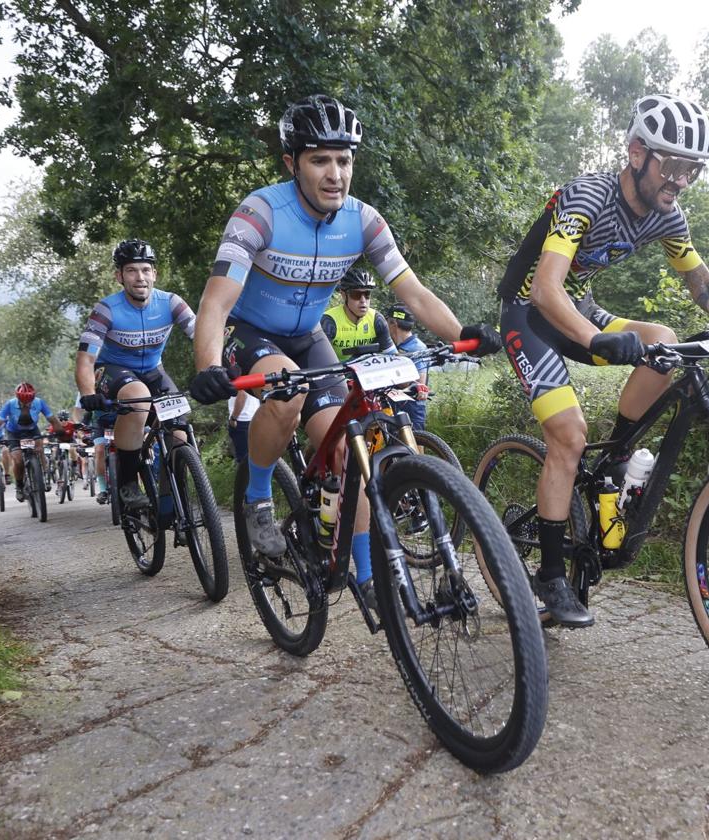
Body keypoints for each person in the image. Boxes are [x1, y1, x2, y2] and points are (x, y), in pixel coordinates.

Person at [188, 93, 501, 608]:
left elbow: (412, 292)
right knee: (284, 390)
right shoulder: (259, 213)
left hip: (311, 337)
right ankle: (258, 498)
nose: (335, 173)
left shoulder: (363, 220)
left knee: (348, 448)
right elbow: (216, 302)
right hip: (252, 332)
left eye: (344, 160)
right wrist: (207, 367)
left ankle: (365, 574)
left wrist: (461, 332)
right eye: (319, 160)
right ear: (292, 163)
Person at [497, 93, 709, 628]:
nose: (680, 181)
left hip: (579, 307)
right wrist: (594, 340)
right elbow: (544, 289)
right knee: (567, 436)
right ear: (637, 152)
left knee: (663, 339)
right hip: (529, 313)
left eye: (693, 172)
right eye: (674, 167)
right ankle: (549, 575)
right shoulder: (586, 196)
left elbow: (703, 285)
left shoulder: (666, 216)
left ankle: (617, 455)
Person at [75, 238, 196, 512]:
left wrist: (216, 370)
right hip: (112, 371)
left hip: (153, 370)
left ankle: (173, 498)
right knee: (138, 398)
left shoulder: (171, 303)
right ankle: (128, 484)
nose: (139, 277)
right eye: (131, 270)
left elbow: (202, 336)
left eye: (145, 270)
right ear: (119, 276)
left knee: (179, 432)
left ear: (154, 273)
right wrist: (87, 394)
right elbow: (85, 358)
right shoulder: (106, 309)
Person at [0, 382, 64, 502]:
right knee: (18, 460)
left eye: (29, 402)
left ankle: (43, 475)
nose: (26, 404)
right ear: (17, 398)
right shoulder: (10, 404)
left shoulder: (39, 402)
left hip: (32, 430)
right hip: (14, 432)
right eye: (23, 402)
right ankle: (19, 486)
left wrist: (60, 431)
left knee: (40, 449)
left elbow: (53, 420)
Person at [319, 266, 396, 360]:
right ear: (344, 295)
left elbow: (392, 356)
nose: (363, 300)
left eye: (367, 294)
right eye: (356, 295)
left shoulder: (377, 319)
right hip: (336, 371)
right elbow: (322, 361)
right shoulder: (329, 321)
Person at [388, 305, 430, 431]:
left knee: (416, 447)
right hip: (395, 404)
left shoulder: (417, 348)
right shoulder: (392, 348)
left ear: (394, 323)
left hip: (413, 406)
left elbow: (420, 382)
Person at [227, 390, 260, 463]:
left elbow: (242, 394)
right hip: (254, 417)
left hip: (242, 420)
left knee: (244, 460)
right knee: (257, 458)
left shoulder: (239, 378)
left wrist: (233, 418)